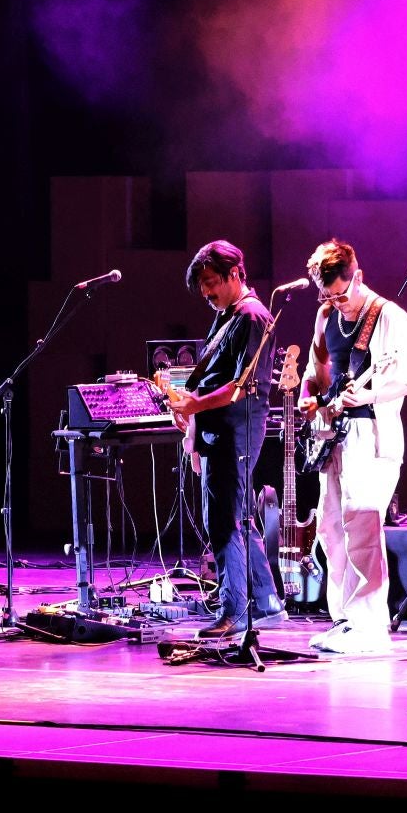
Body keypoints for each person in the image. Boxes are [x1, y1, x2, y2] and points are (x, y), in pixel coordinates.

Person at [298, 239, 407, 654]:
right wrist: (309, 393)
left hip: (372, 436)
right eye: (327, 294)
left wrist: (362, 396)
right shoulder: (326, 314)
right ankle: (346, 619)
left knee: (362, 525)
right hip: (333, 435)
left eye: (341, 293)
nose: (336, 302)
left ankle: (370, 625)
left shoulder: (390, 318)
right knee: (331, 529)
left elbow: (403, 379)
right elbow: (318, 368)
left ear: (358, 276)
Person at [168, 241, 282, 639]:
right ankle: (267, 602)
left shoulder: (252, 316)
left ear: (236, 273)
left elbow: (239, 386)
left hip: (235, 432)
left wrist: (195, 405)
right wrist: (191, 409)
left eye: (212, 282)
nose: (206, 293)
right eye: (201, 286)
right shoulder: (229, 315)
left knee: (223, 523)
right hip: (219, 432)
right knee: (235, 518)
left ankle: (233, 610)